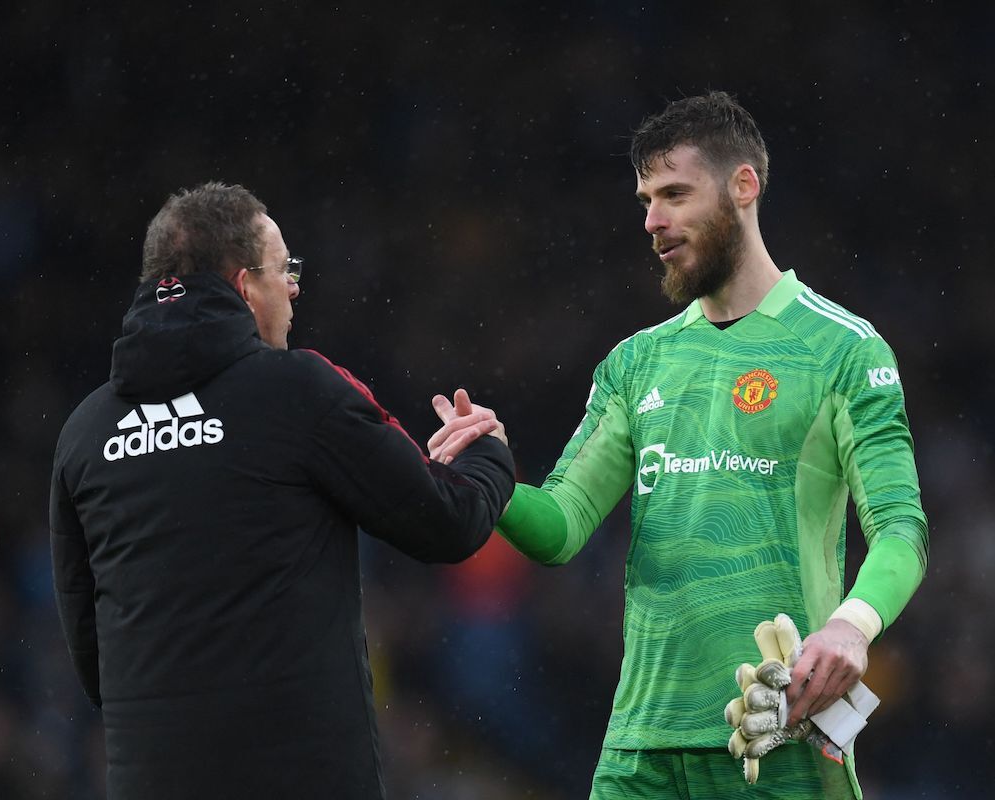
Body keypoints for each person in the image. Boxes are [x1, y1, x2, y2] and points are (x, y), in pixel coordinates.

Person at [429, 92, 927, 799]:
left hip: (778, 731)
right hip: (641, 748)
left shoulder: (843, 350)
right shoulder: (637, 363)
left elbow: (900, 528)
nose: (652, 221)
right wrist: (493, 473)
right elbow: (561, 528)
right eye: (645, 201)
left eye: (674, 195)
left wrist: (852, 626)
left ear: (743, 186)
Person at [49, 182, 515, 800]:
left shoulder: (84, 433)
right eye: (284, 270)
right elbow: (450, 522)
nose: (294, 288)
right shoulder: (297, 391)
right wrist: (484, 450)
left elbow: (91, 655)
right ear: (244, 286)